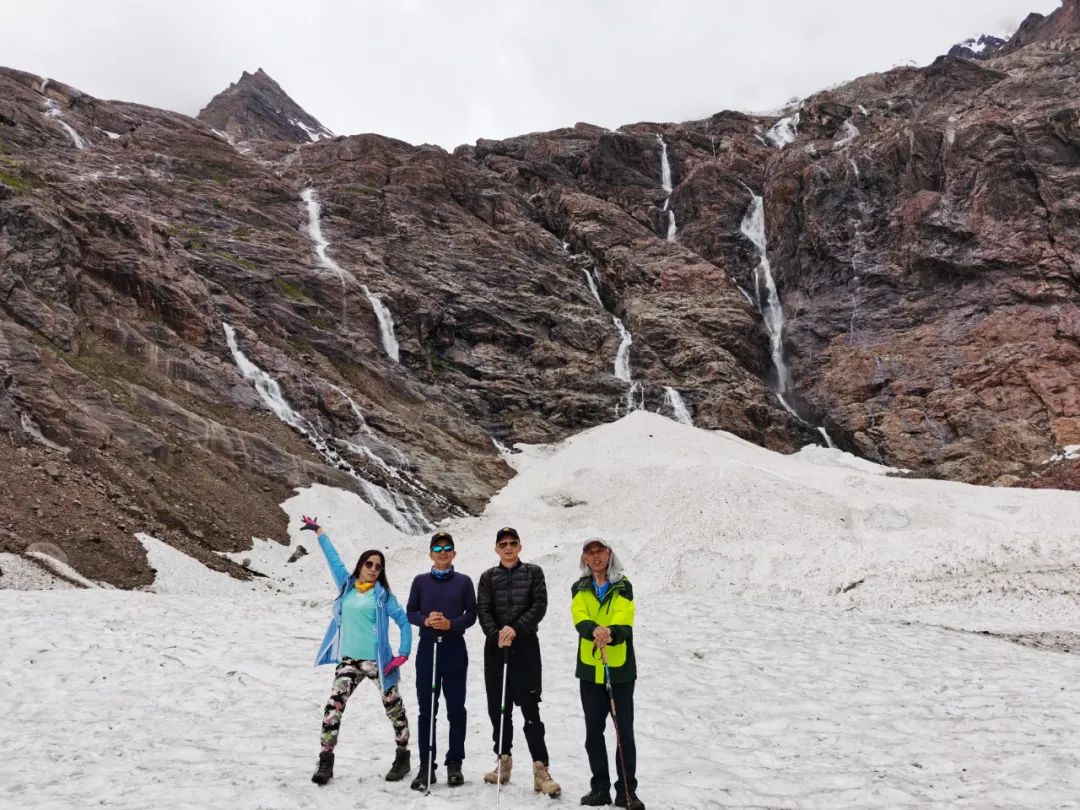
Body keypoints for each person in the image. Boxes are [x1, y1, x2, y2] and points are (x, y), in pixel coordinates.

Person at [302, 515, 412, 786]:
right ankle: (325, 760)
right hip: (349, 661)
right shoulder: (347, 586)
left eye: (378, 566)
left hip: (378, 661)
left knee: (393, 707)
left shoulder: (384, 596)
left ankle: (402, 755)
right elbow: (334, 559)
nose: (373, 569)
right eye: (369, 564)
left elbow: (404, 621)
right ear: (361, 566)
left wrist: (403, 652)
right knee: (333, 706)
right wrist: (320, 532)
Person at [477, 526, 560, 797]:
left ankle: (540, 769)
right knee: (499, 708)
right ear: (497, 549)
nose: (508, 547)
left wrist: (516, 628)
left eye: (513, 543)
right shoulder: (488, 577)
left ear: (520, 547)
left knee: (530, 708)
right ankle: (503, 761)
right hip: (496, 648)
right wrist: (496, 633)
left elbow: (539, 605)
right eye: (503, 544)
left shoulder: (533, 572)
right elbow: (484, 609)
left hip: (525, 646)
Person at [571, 538, 645, 810]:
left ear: (609, 554)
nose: (596, 556)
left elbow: (625, 618)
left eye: (600, 551)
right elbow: (579, 617)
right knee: (594, 732)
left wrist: (610, 633)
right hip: (590, 671)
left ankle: (627, 790)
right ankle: (599, 788)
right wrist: (593, 629)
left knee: (623, 731)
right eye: (591, 553)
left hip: (620, 669)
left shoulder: (623, 586)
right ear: (585, 558)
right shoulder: (579, 587)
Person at [406, 530, 477, 790]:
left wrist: (451, 624)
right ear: (430, 554)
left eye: (447, 548)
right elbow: (410, 611)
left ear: (454, 553)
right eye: (437, 549)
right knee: (428, 709)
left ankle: (454, 763)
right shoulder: (420, 581)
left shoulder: (464, 581)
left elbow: (472, 614)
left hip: (454, 648)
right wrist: (425, 620)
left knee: (456, 708)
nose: (442, 552)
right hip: (427, 648)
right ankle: (426, 766)